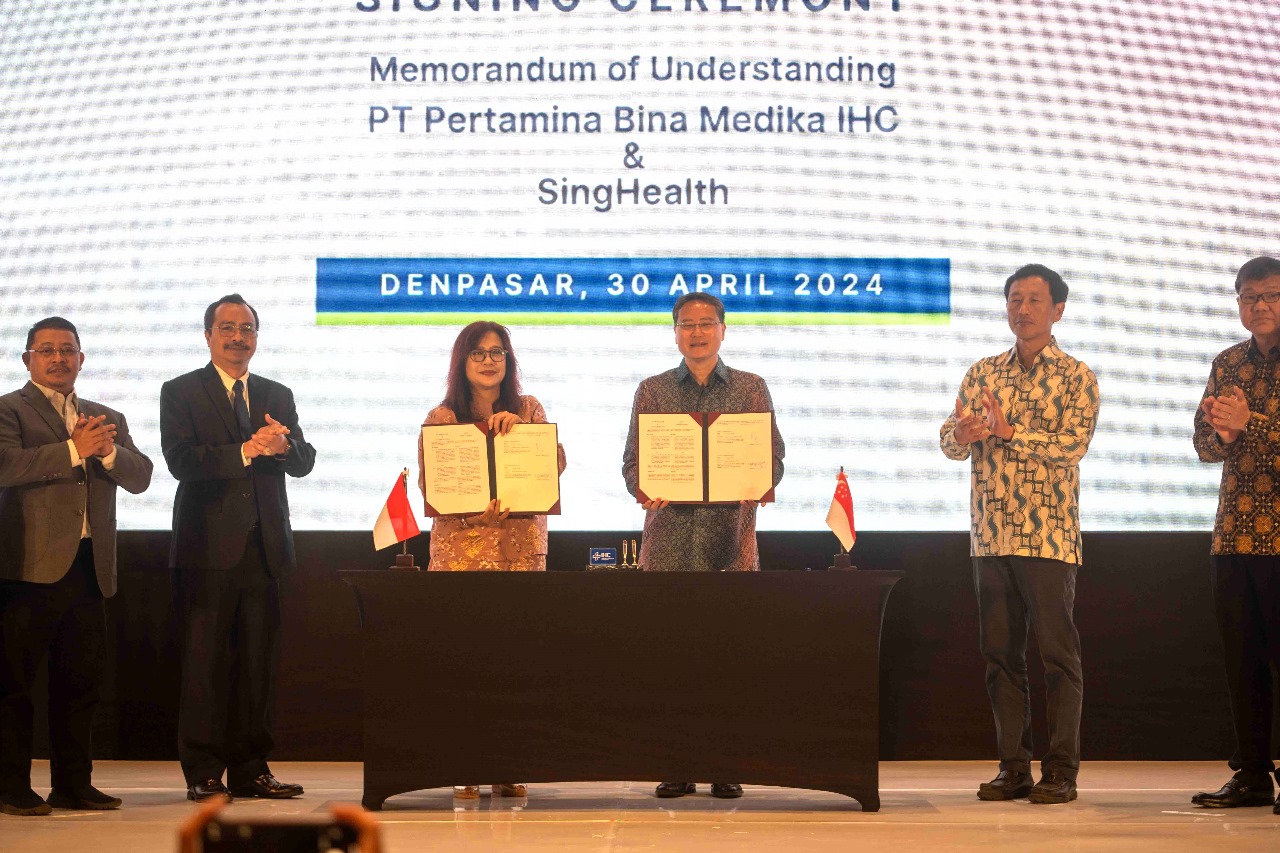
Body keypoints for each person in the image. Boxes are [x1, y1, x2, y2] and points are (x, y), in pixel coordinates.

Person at [939, 264, 1099, 805]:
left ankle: (1062, 770)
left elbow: (1072, 446)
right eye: (1014, 299)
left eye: (1034, 300)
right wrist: (962, 433)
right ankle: (1013, 768)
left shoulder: (1076, 375)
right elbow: (949, 441)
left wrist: (1010, 432)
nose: (1022, 309)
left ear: (1058, 310)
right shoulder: (983, 372)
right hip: (991, 536)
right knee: (1001, 658)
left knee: (1058, 658)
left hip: (1048, 537)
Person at [621, 292, 785, 800]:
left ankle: (724, 764)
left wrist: (757, 480)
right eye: (687, 324)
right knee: (669, 660)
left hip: (730, 540)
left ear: (722, 330)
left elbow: (774, 459)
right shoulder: (652, 391)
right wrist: (645, 488)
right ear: (675, 332)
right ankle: (676, 764)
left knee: (729, 659)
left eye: (706, 323)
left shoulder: (751, 387)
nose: (697, 332)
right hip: (668, 542)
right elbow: (632, 464)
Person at [160, 294, 316, 803]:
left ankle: (252, 770)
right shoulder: (180, 391)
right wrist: (247, 450)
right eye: (227, 328)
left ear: (256, 337)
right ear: (208, 336)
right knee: (204, 665)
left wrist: (284, 446)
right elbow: (181, 461)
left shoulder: (275, 393)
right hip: (206, 551)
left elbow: (305, 460)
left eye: (246, 328)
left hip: (265, 550)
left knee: (257, 667)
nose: (237, 337)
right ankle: (203, 771)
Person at [0, 317, 152, 816]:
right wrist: (72, 449)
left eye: (67, 350)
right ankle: (10, 787)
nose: (58, 358)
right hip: (27, 568)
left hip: (90, 567)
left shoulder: (105, 417)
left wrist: (107, 452)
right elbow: (5, 466)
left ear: (81, 359)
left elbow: (141, 477)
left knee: (80, 685)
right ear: (28, 360)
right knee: (14, 686)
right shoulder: (8, 410)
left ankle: (73, 785)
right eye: (46, 350)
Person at [417, 320, 566, 799]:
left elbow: (555, 465)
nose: (488, 360)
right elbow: (431, 486)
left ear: (508, 360)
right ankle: (465, 764)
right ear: (462, 362)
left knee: (515, 662)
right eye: (478, 352)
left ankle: (507, 763)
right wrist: (468, 511)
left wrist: (524, 434)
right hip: (461, 555)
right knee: (465, 663)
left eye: (497, 352)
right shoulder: (442, 418)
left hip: (519, 552)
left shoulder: (529, 408)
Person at [1191, 256, 1280, 814]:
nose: (1259, 306)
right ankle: (1251, 775)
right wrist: (1223, 434)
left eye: (1270, 295)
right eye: (1249, 297)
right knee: (1242, 662)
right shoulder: (1228, 363)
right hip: (1233, 536)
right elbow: (1203, 445)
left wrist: (1252, 425)